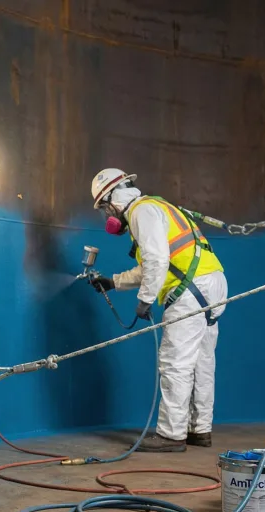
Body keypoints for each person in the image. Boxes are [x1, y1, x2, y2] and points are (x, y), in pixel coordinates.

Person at [87, 168, 228, 452]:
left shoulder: (141, 212)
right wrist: (114, 282)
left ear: (113, 198)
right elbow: (156, 262)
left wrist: (146, 299)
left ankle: (171, 435)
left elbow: (157, 259)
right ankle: (199, 430)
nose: (107, 216)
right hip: (211, 282)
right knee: (202, 363)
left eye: (104, 207)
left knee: (175, 363)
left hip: (188, 291)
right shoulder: (159, 207)